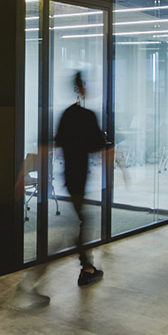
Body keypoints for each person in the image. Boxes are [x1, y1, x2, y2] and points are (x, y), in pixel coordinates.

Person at [55, 71, 110, 286]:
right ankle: (86, 268)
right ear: (82, 89)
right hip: (78, 177)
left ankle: (87, 266)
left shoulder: (67, 114)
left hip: (69, 176)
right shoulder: (88, 117)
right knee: (80, 223)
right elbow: (99, 145)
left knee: (80, 221)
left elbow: (58, 142)